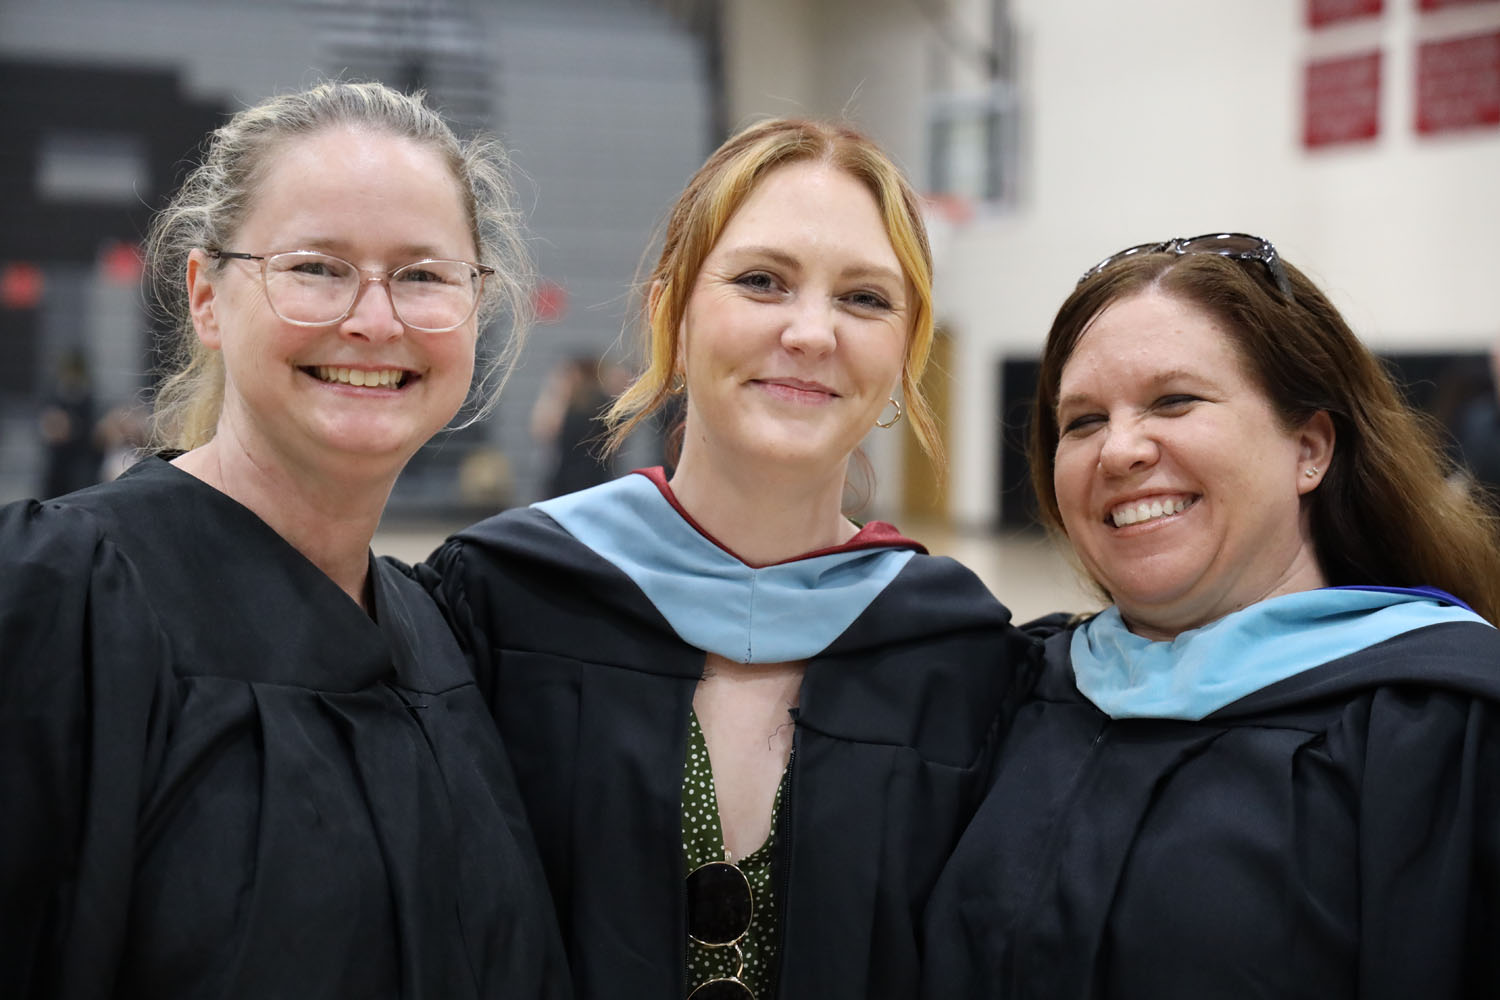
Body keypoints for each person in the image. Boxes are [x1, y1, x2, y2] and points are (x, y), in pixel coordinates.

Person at [419, 118, 1029, 999]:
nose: (812, 332)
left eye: (865, 298)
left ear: (906, 349)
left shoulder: (958, 654)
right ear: (670, 309)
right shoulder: (504, 601)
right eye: (761, 281)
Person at [0, 81, 568, 998]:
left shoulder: (442, 634)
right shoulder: (63, 598)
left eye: (422, 275)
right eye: (317, 267)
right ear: (207, 297)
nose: (374, 320)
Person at [922, 234, 1500, 998]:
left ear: (1310, 448)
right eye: (1084, 421)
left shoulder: (1444, 726)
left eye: (1174, 401)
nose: (1119, 449)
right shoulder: (1015, 689)